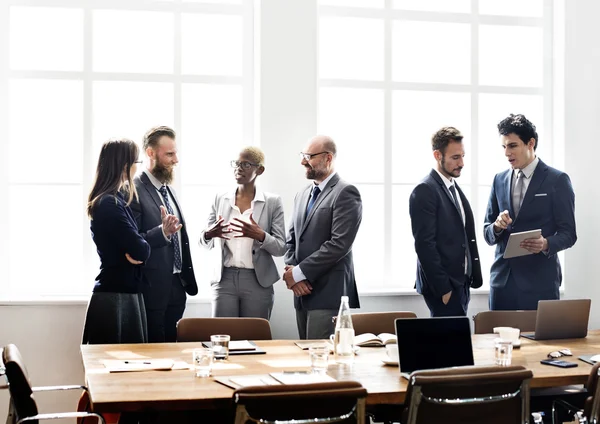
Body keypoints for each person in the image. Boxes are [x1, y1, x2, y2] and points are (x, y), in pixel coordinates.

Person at [484, 114, 577, 310]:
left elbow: (569, 234)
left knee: (540, 342)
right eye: (504, 147)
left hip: (540, 283)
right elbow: (487, 232)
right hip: (502, 282)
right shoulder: (498, 180)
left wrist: (545, 244)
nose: (507, 153)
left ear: (530, 143)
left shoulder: (557, 180)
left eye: (512, 146)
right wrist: (497, 227)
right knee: (498, 341)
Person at [284, 135, 362, 339]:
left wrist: (299, 273)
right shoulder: (302, 194)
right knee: (305, 354)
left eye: (309, 156)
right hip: (301, 293)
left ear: (328, 158)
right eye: (303, 155)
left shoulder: (346, 192)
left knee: (322, 360)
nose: (303, 161)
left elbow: (339, 244)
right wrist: (294, 276)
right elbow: (291, 240)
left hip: (328, 293)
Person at [199, 147, 286, 319]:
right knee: (222, 338)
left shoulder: (272, 202)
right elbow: (203, 241)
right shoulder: (220, 198)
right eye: (237, 164)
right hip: (224, 279)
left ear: (259, 170)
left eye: (245, 164)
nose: (239, 168)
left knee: (254, 338)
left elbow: (281, 248)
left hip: (257, 280)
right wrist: (209, 234)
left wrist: (260, 235)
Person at [130, 126, 198, 343]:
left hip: (177, 284)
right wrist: (162, 232)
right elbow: (133, 242)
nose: (175, 159)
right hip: (152, 287)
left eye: (175, 153)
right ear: (150, 153)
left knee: (173, 349)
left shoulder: (169, 190)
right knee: (154, 351)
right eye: (169, 154)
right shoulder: (133, 190)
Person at [82, 139, 151, 345]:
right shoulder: (109, 203)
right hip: (115, 297)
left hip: (122, 292)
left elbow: (138, 247)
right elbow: (141, 249)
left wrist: (139, 248)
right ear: (124, 166)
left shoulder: (114, 200)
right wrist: (139, 249)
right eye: (136, 162)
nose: (137, 168)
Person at [409, 127, 483, 317]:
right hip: (444, 287)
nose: (462, 163)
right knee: (447, 344)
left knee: (457, 342)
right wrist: (443, 288)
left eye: (463, 156)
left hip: (461, 283)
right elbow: (425, 245)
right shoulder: (425, 190)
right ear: (437, 155)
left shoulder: (453, 186)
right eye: (455, 157)